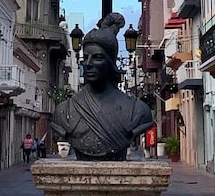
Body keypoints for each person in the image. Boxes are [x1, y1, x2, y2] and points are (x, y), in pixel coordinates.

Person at [50, 13, 153, 160]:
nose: (89, 64)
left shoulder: (137, 111)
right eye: (86, 58)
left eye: (97, 57)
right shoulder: (64, 111)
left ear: (111, 62)